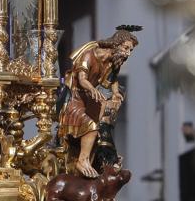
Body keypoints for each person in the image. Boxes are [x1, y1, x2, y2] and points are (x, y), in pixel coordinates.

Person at [58, 27, 139, 179]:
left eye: (131, 50)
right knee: (92, 125)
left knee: (100, 128)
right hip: (75, 99)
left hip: (89, 99)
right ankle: (82, 161)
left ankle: (91, 159)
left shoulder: (113, 61)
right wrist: (92, 89)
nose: (128, 53)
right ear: (116, 44)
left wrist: (115, 93)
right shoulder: (89, 55)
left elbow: (113, 78)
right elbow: (82, 79)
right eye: (126, 48)